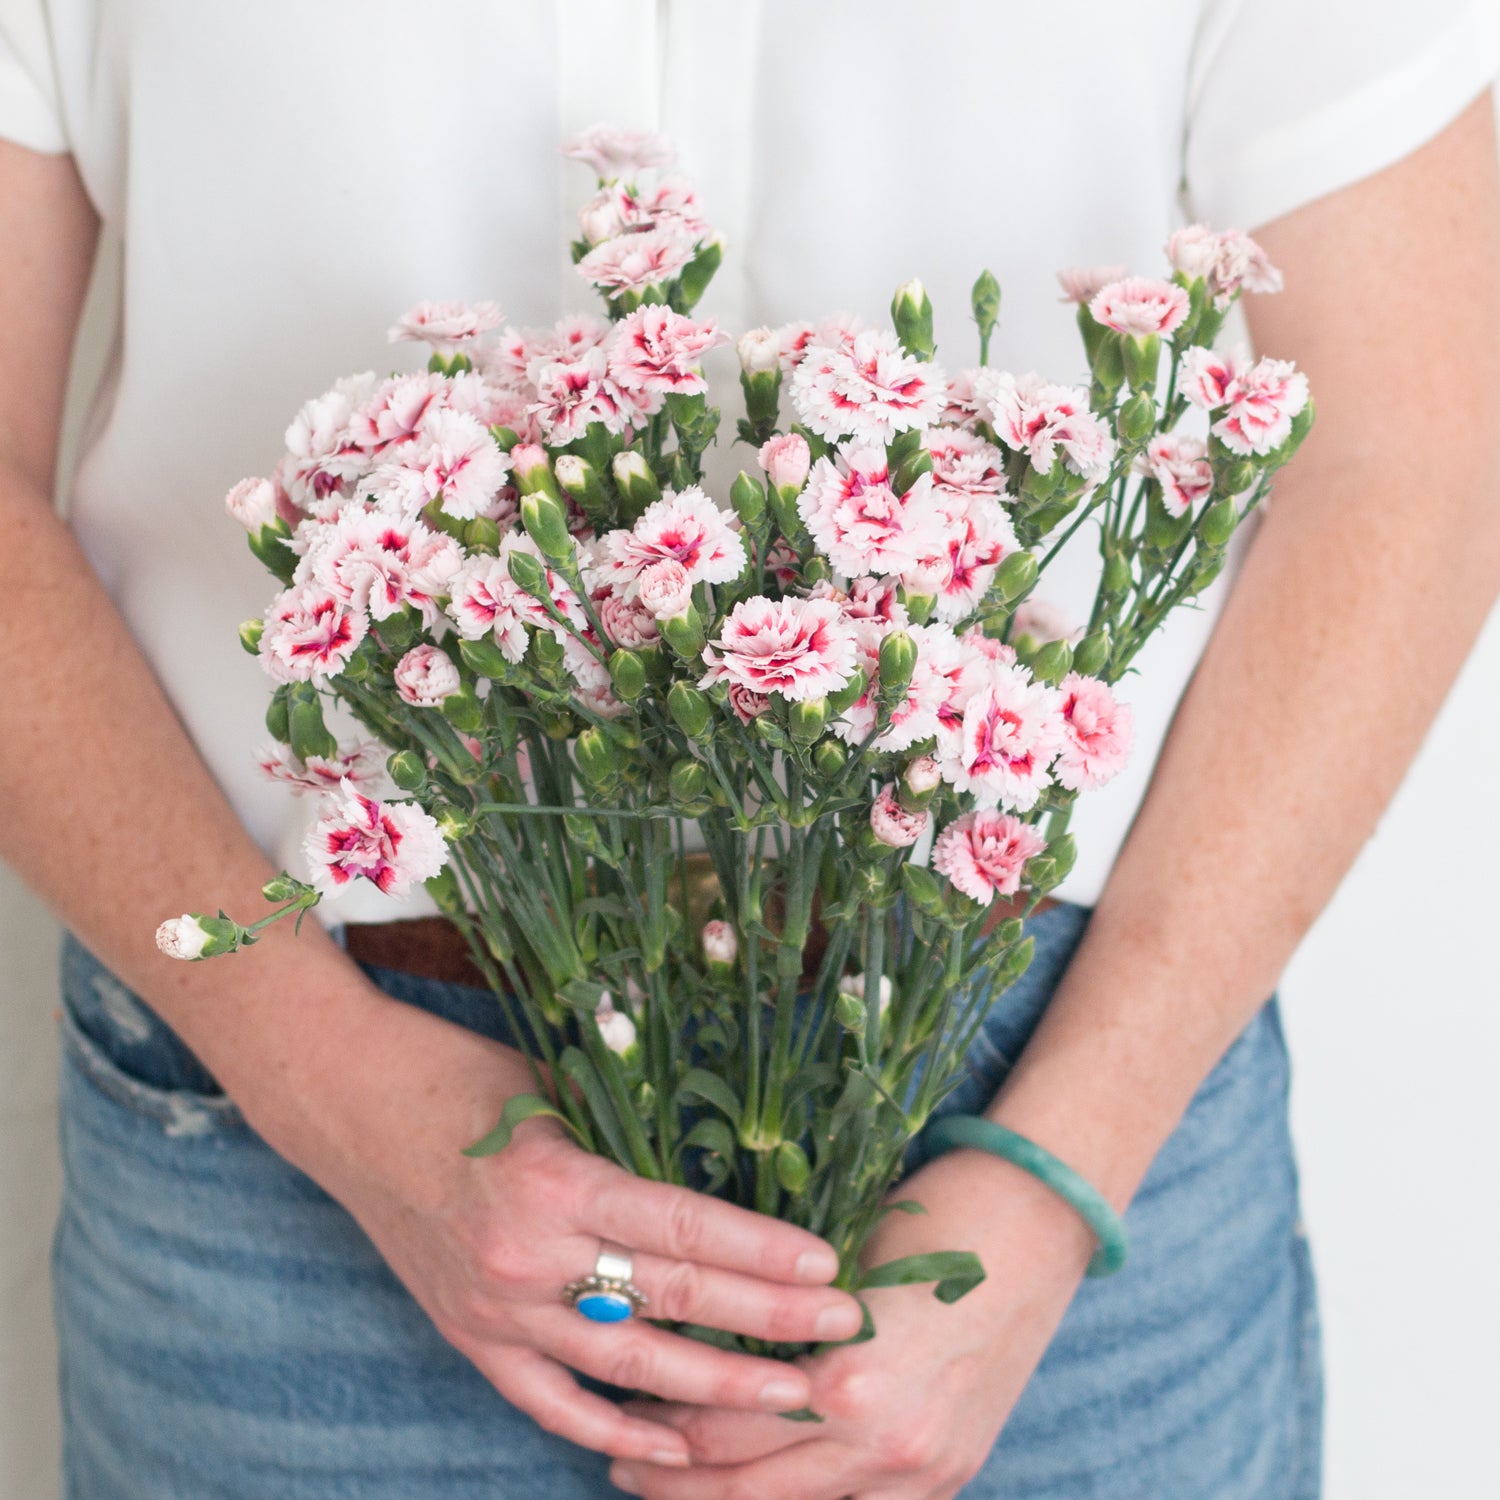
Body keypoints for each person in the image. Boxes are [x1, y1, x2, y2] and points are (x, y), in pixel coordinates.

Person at [2, 2, 1498, 1496]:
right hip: (296, 1119)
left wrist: (1066, 1159)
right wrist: (313, 1073)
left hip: (1043, 1088)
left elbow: (1414, 448)